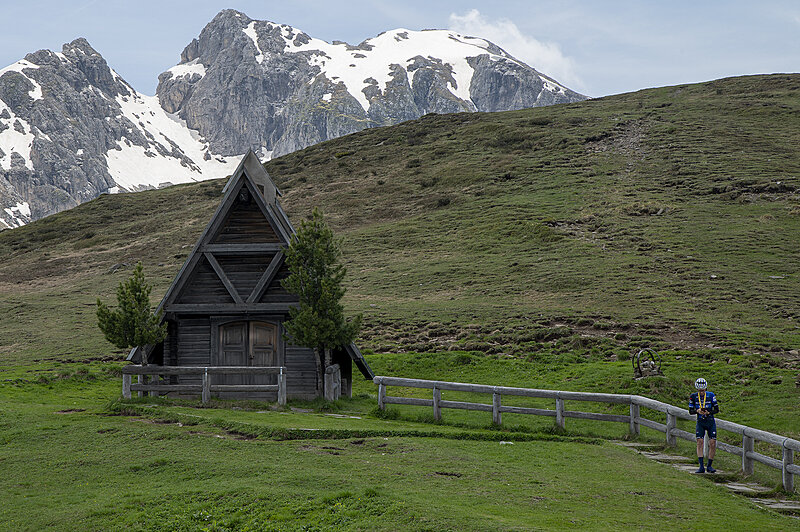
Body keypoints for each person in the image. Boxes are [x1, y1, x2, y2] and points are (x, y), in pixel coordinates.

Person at [688, 377, 719, 473]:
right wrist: (697, 411)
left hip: (710, 421)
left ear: (706, 389)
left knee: (712, 442)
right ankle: (701, 466)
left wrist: (709, 412)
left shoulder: (711, 395)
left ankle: (709, 465)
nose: (701, 392)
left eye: (703, 390)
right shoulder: (693, 396)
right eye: (700, 391)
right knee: (699, 441)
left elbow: (716, 409)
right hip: (700, 421)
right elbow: (690, 411)